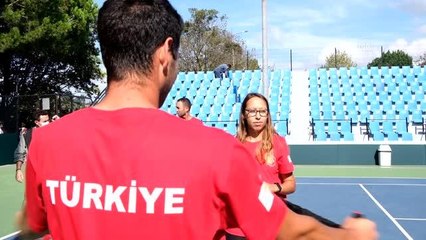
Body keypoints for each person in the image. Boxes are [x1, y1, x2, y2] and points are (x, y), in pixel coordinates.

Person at [17, 1, 378, 239]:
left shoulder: (47, 142)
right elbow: (290, 230)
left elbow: (32, 226)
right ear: (165, 52)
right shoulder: (218, 151)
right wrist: (349, 234)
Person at [225, 93, 341, 239]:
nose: (258, 116)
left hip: (272, 225)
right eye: (252, 111)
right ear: (243, 115)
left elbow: (291, 184)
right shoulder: (232, 145)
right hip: (238, 227)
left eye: (262, 111)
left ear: (268, 115)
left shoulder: (278, 143)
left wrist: (273, 187)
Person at [14, 110, 54, 183]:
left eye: (49, 120)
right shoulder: (27, 135)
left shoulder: (54, 131)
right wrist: (18, 170)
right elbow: (20, 153)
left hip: (53, 172)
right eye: (44, 121)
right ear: (36, 122)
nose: (48, 123)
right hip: (36, 172)